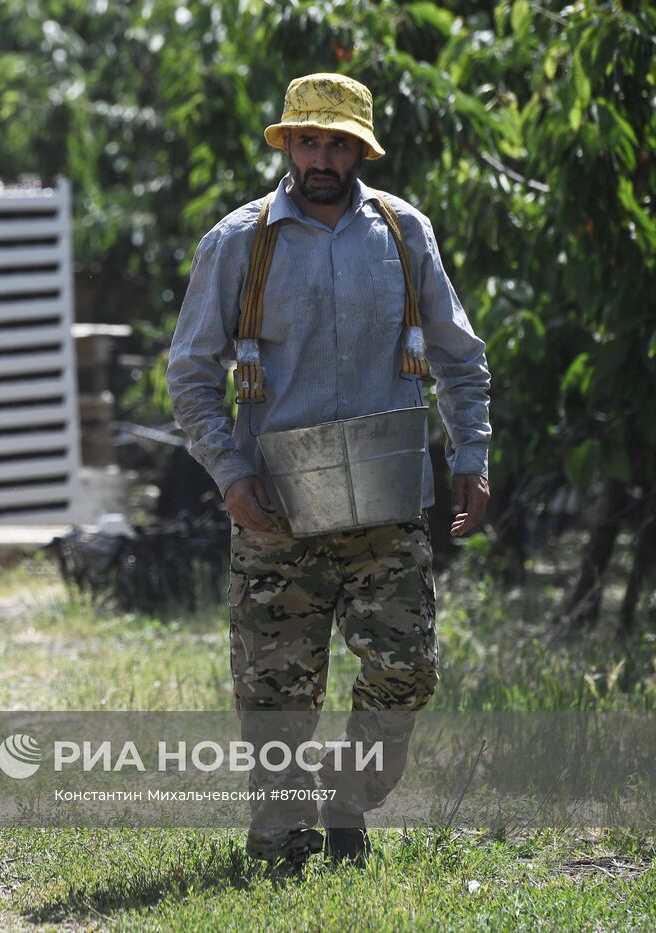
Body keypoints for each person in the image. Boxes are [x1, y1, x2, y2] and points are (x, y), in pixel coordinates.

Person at [167, 73, 491, 873]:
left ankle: (348, 798)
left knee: (407, 671)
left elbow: (461, 358)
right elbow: (189, 372)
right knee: (275, 699)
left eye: (336, 142)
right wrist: (230, 474)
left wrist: (473, 456)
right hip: (276, 510)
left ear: (360, 151)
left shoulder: (401, 230)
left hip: (386, 509)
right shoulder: (238, 242)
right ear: (287, 146)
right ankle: (284, 842)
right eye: (306, 140)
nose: (320, 157)